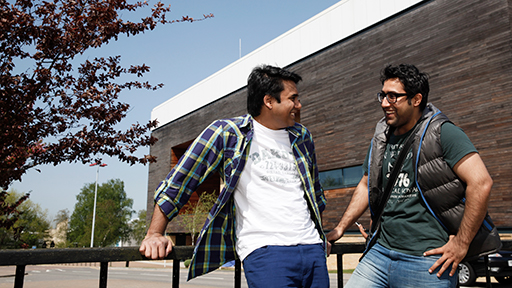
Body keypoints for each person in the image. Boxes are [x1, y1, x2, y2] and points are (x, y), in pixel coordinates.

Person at [140, 65, 330, 287]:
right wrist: (154, 233)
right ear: (269, 101)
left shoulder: (302, 136)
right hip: (267, 251)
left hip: (312, 249)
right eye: (293, 99)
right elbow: (179, 181)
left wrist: (320, 236)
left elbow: (314, 193)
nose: (299, 105)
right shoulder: (227, 132)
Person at [326, 64, 493, 287]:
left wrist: (462, 243)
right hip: (379, 254)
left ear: (416, 100)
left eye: (393, 96)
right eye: (383, 96)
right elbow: (366, 185)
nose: (385, 103)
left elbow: (481, 183)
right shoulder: (381, 139)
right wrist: (340, 228)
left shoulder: (443, 132)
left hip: (427, 261)